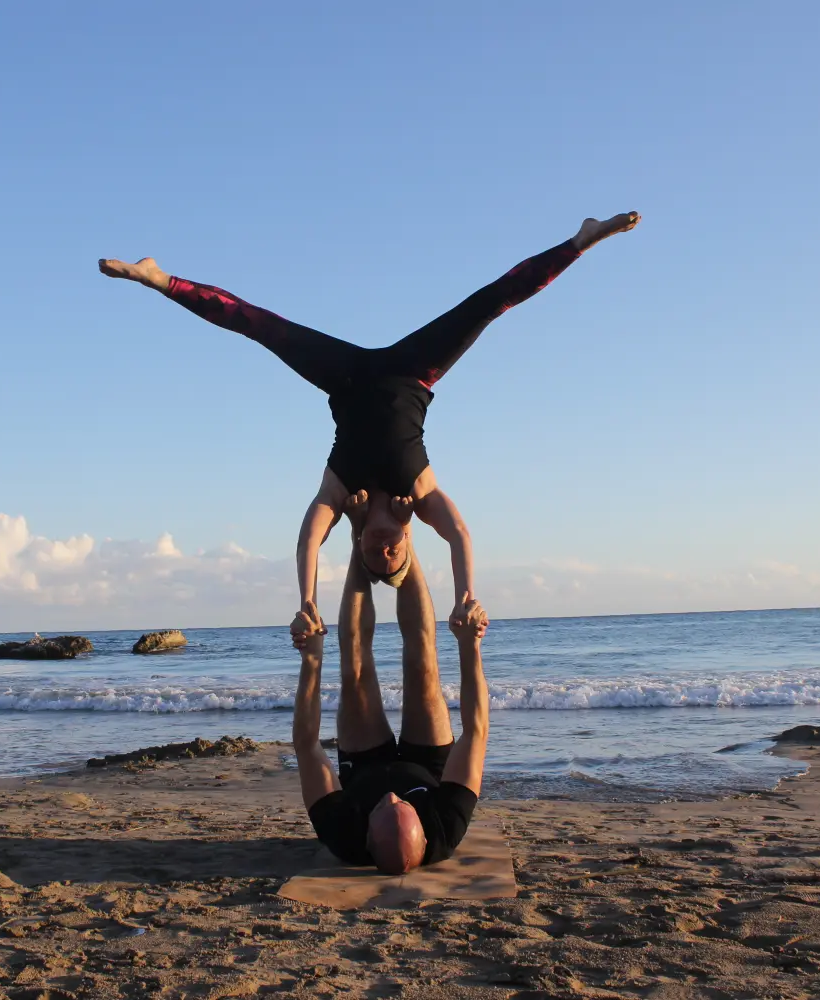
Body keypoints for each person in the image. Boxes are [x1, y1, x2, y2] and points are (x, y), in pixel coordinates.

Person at [98, 213, 640, 635]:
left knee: (261, 327)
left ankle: (160, 279)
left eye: (374, 556)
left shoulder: (341, 491)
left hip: (349, 379)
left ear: (356, 545)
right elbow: (459, 537)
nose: (384, 549)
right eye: (394, 555)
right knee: (489, 304)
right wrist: (464, 599)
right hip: (414, 373)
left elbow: (309, 540)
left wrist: (307, 604)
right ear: (406, 541)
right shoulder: (420, 496)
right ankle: (580, 241)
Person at [288, 538, 490, 874]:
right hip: (430, 766)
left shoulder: (343, 832)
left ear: (368, 835)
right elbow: (476, 732)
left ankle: (358, 535)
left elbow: (306, 745)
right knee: (422, 662)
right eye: (404, 804)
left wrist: (311, 658)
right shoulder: (444, 824)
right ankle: (404, 535)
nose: (394, 795)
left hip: (364, 767)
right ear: (423, 834)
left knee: (355, 667)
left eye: (385, 806)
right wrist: (470, 645)